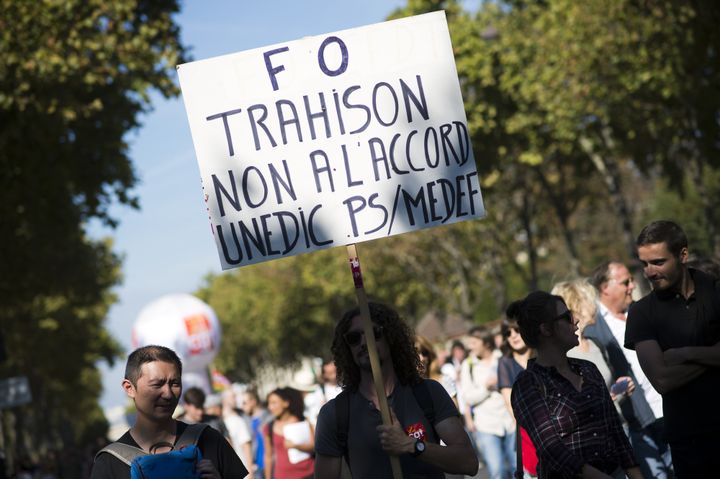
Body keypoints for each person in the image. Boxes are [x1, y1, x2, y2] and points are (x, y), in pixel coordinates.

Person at [314, 302, 478, 479]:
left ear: (390, 337)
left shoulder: (428, 393)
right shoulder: (334, 413)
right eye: (354, 338)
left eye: (373, 333)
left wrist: (411, 445)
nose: (364, 343)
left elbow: (468, 462)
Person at [509, 291, 642, 479]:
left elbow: (616, 433)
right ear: (546, 329)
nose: (576, 321)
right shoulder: (528, 385)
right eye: (567, 317)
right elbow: (552, 449)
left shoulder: (588, 369)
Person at [625, 220, 720, 478]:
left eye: (658, 262)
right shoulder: (641, 312)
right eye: (644, 264)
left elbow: (672, 371)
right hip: (689, 442)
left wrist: (686, 354)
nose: (649, 272)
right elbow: (663, 379)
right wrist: (713, 354)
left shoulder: (714, 290)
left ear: (683, 255)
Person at [90, 345, 247, 478]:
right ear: (129, 388)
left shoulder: (208, 440)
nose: (168, 394)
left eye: (174, 383)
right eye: (157, 384)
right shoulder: (110, 462)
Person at [585, 261, 673, 479]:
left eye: (632, 280)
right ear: (605, 287)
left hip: (668, 408)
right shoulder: (593, 328)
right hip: (635, 421)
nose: (632, 286)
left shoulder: (643, 311)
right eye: (626, 282)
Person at [551, 280, 636, 409]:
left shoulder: (594, 344)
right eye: (590, 300)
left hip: (618, 425)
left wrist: (619, 390)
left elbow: (608, 394)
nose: (595, 305)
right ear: (577, 304)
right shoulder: (563, 354)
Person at [461, 326, 515, 479]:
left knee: (517, 467)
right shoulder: (468, 365)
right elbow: (468, 397)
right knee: (497, 471)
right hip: (487, 426)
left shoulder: (502, 358)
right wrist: (486, 387)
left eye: (474, 342)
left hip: (510, 420)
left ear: (485, 342)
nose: (470, 347)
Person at [497, 313, 536, 478]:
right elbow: (509, 401)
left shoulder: (541, 355)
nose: (513, 336)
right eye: (508, 333)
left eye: (516, 330)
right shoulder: (505, 363)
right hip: (526, 430)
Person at [263, 387, 315, 479]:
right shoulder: (269, 428)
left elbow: (314, 446)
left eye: (274, 403)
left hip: (309, 473)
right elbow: (268, 456)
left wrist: (295, 446)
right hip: (283, 476)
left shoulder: (303, 421)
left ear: (286, 403)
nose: (270, 407)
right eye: (269, 403)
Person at [221, 389, 255, 477]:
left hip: (243, 471)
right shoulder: (219, 421)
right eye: (233, 397)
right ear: (224, 399)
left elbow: (246, 446)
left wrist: (250, 473)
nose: (236, 399)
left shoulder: (238, 420)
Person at [242, 388, 270, 479]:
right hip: (257, 468)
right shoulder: (245, 421)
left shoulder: (269, 417)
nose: (242, 406)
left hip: (271, 464)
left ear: (253, 402)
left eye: (244, 403)